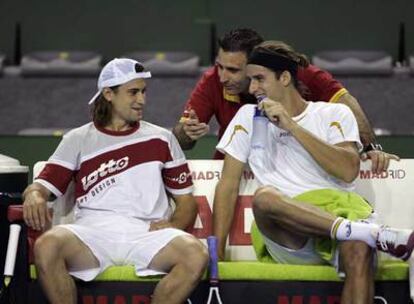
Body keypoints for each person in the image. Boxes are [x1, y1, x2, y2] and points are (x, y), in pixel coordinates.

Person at [212, 41, 414, 303]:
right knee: (264, 199)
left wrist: (290, 125)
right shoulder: (246, 116)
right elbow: (227, 185)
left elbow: (348, 170)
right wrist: (216, 252)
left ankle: (357, 234)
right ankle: (368, 233)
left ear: (284, 78)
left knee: (358, 250)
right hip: (288, 233)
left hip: (337, 216)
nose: (252, 88)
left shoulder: (334, 113)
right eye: (250, 80)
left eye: (259, 79)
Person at [22, 58, 208, 304]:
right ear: (108, 94)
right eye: (133, 92)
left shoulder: (162, 138)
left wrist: (173, 224)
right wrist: (34, 195)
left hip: (146, 234)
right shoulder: (77, 138)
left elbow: (186, 201)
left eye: (143, 91)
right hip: (92, 233)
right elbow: (41, 187)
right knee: (47, 246)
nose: (142, 100)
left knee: (196, 254)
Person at [173, 28, 397, 173]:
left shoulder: (298, 72)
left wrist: (371, 147)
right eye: (219, 66)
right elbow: (181, 139)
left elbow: (346, 102)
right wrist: (186, 133)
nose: (222, 76)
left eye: (233, 70)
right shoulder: (213, 80)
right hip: (235, 169)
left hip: (293, 168)